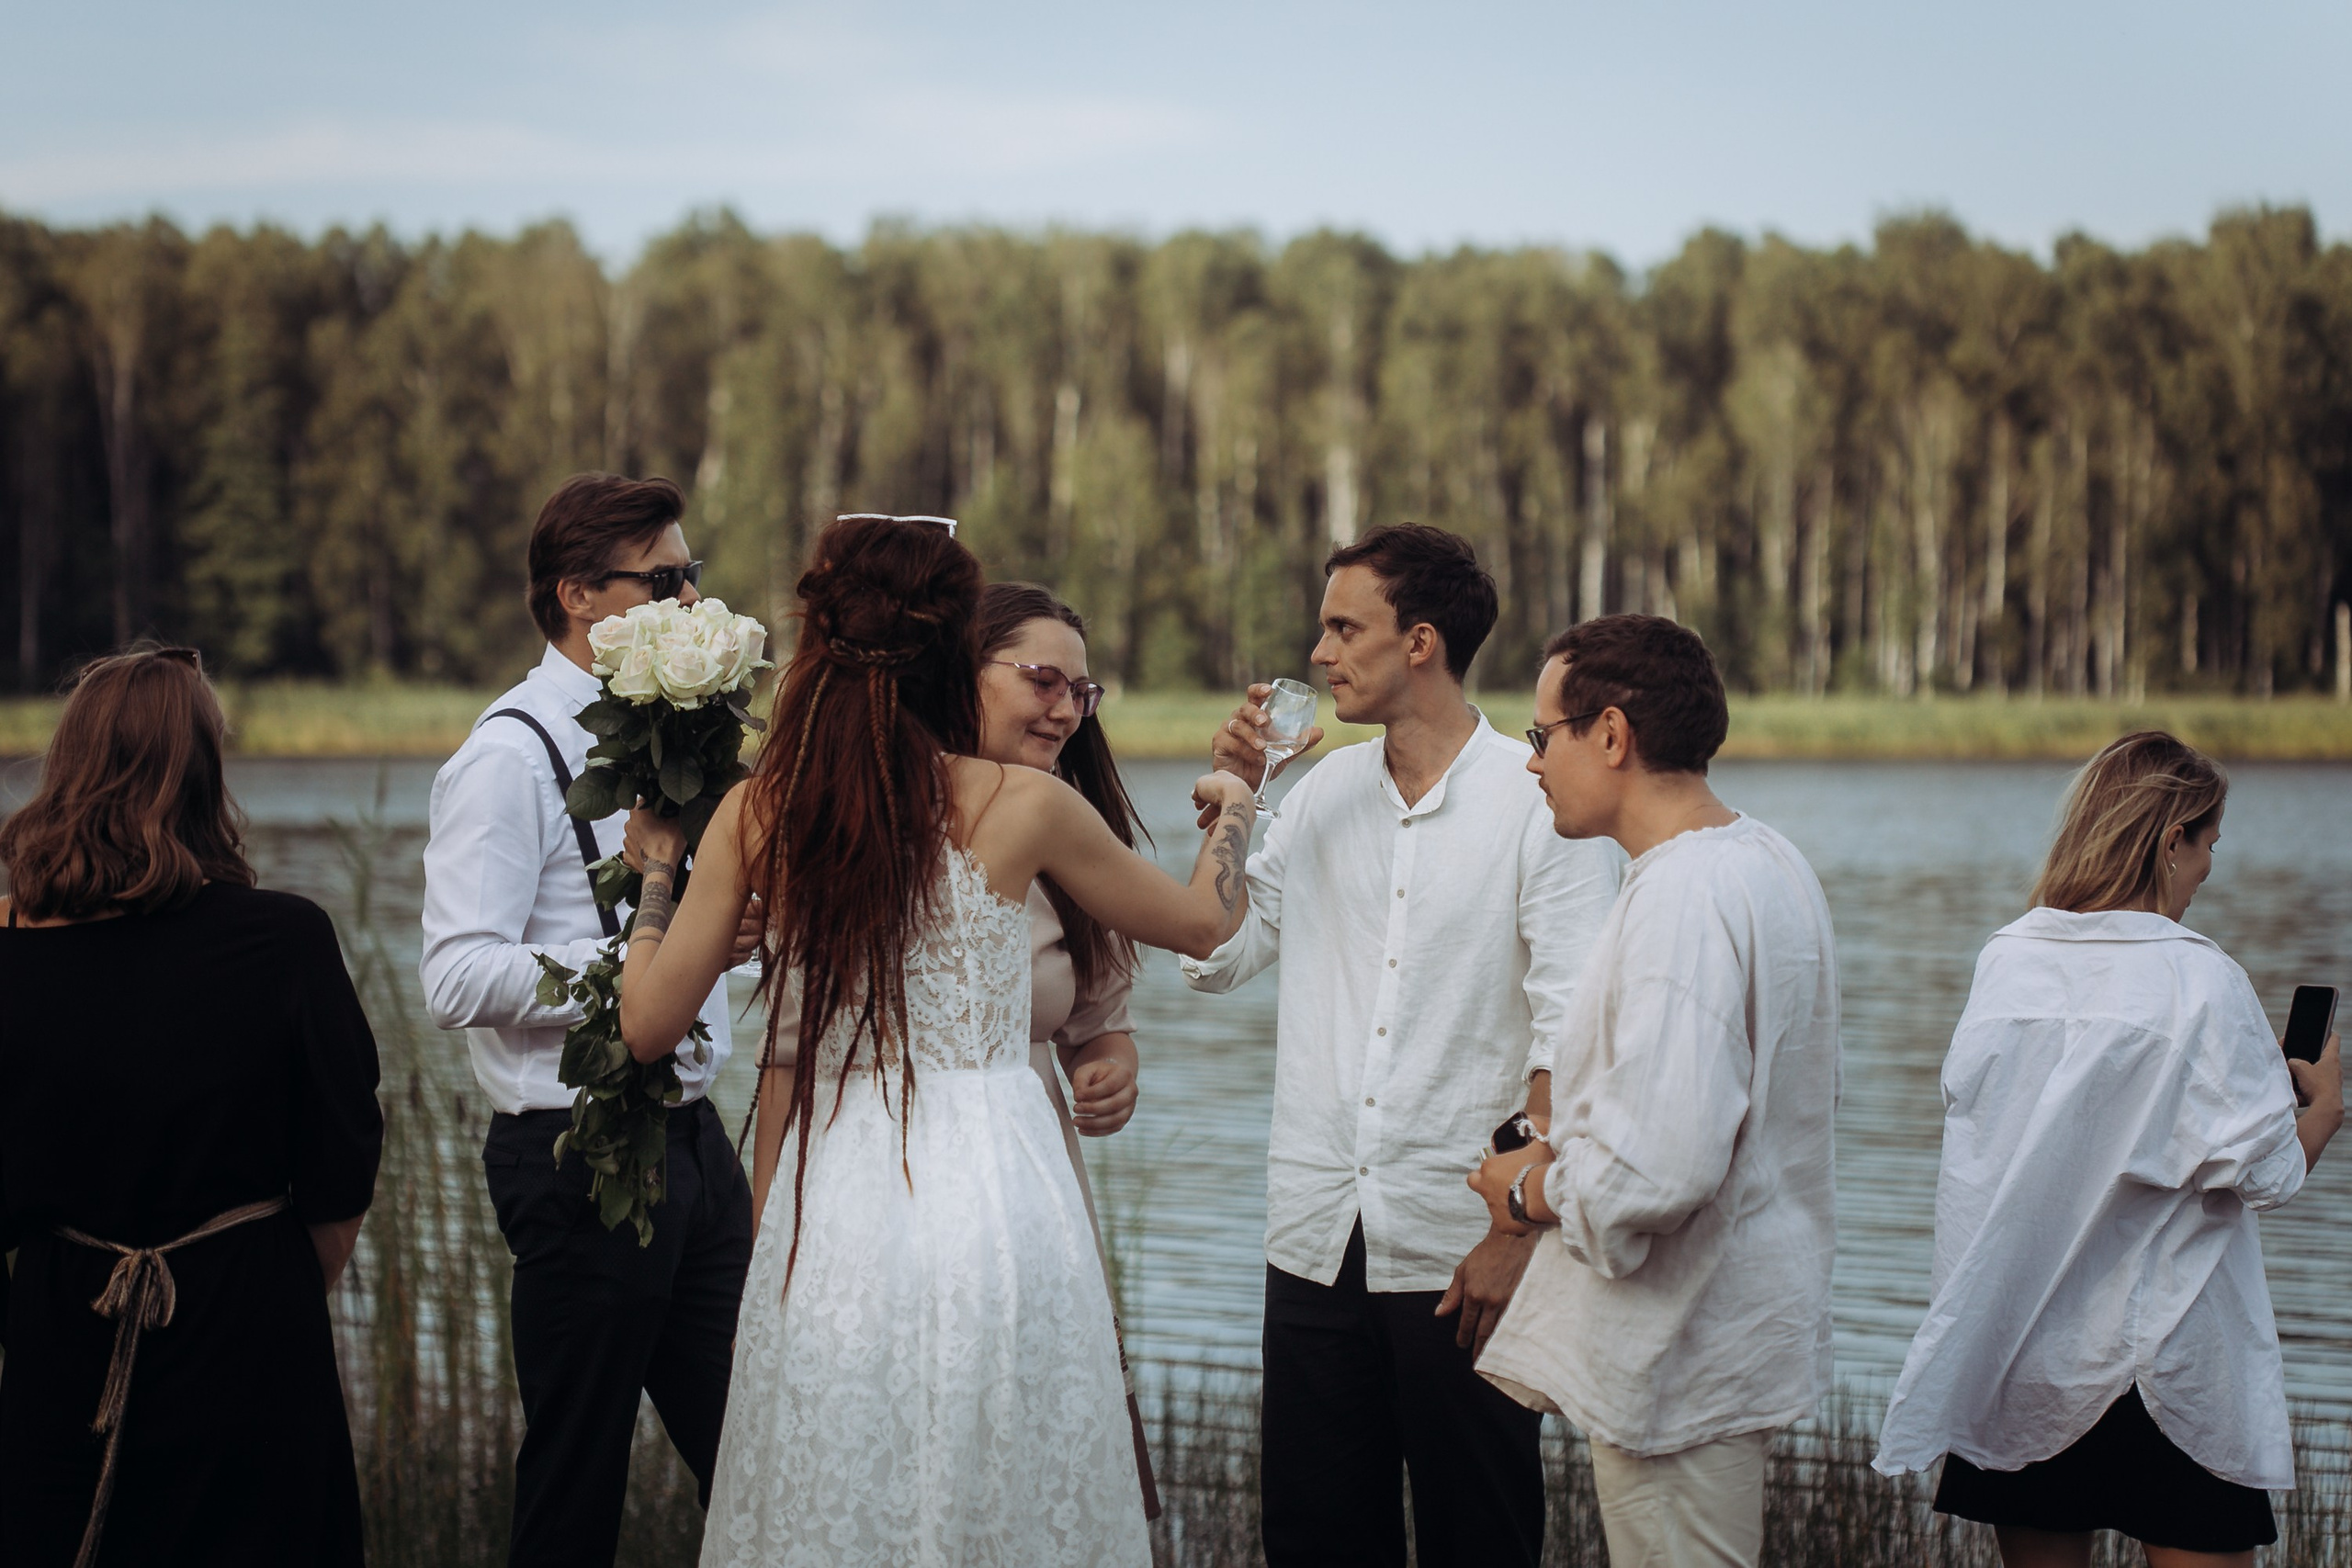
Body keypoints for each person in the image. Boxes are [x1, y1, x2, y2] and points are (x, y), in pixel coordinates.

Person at [609, 513, 1258, 1566]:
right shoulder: (1023, 803)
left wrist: (652, 879)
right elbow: (1203, 922)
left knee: (844, 1487)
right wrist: (1234, 803)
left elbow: (645, 1029)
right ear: (955, 653)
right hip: (1000, 1195)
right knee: (997, 1490)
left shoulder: (756, 811)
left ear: (821, 647)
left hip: (836, 1209)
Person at [1183, 524, 1624, 1568]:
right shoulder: (1322, 795)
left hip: (1457, 1250)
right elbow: (1212, 957)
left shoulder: (1538, 805)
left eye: (1344, 627)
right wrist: (1235, 806)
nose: (1320, 652)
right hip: (1311, 1235)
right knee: (1314, 1543)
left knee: (1482, 1540)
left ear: (1419, 642)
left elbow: (1573, 1033)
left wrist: (1514, 1237)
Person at [1872, 731, 2344, 1568]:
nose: (2208, 871)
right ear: (2170, 841)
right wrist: (2323, 1109)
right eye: (2208, 847)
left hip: (2023, 1356)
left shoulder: (2006, 959)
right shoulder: (2201, 979)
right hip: (2167, 1369)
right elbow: (2267, 1172)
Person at [743, 578, 1163, 1510]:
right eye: (1045, 681)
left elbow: (1100, 1020)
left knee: (1021, 1469)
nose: (1067, 710)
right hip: (867, 1207)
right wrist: (774, 1254)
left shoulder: (1067, 819)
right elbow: (785, 1061)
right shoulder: (848, 829)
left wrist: (1110, 1072)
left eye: (1083, 694)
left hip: (1025, 1199)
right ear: (952, 674)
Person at [419, 473, 763, 1568]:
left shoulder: (680, 743)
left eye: (693, 576)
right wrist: (633, 963)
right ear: (579, 594)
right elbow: (456, 976)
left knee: (764, 1457)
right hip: (576, 1157)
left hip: (697, 1148)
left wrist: (728, 935)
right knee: (576, 1489)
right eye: (665, 579)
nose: (690, 598)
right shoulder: (505, 757)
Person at [1470, 613, 1840, 1568]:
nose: (1530, 762)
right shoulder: (1764, 859)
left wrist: (1525, 1191)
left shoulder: (1683, 899)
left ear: (1610, 734)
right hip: (1725, 1326)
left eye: (1539, 735)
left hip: (1683, 1349)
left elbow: (1661, 1167)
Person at [0, 646, 382, 1568]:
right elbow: (340, 1179)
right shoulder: (288, 940)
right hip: (252, 1330)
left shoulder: (10, 950)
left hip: (61, 1334)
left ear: (72, 767)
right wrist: (250, 1291)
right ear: (206, 773)